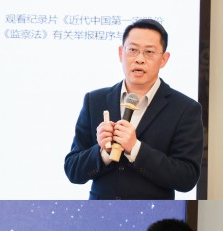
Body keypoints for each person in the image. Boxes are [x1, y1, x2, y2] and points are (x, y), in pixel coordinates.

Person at [64, 19, 203, 199]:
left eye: (149, 52)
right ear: (120, 53)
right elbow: (73, 170)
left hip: (153, 212)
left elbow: (187, 177)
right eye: (132, 50)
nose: (139, 59)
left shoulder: (185, 109)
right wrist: (103, 152)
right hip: (101, 211)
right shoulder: (95, 100)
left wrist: (135, 148)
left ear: (164, 59)